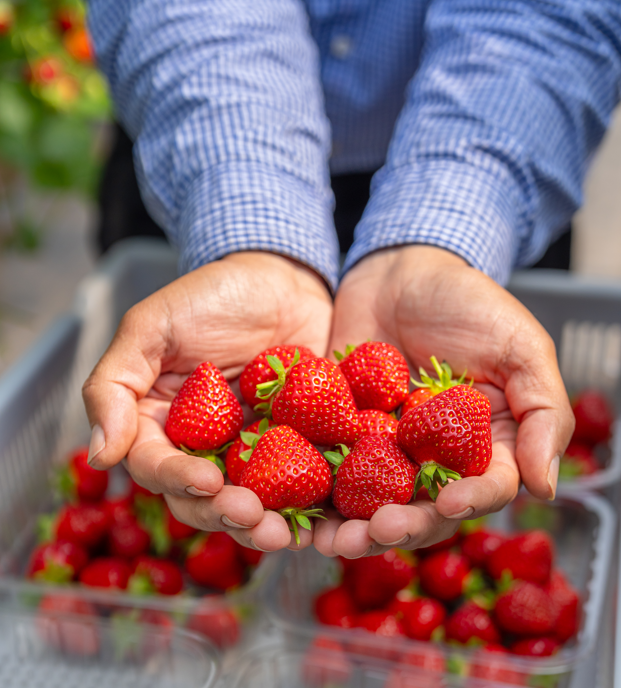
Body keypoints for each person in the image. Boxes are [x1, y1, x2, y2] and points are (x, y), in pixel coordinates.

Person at [83, 1, 621, 559]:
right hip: (210, 147)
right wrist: (253, 239)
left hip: (480, 164)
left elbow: (549, 17)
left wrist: (444, 234)